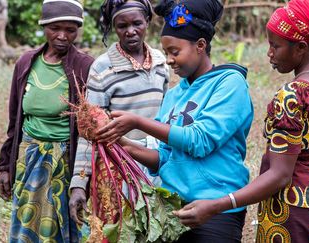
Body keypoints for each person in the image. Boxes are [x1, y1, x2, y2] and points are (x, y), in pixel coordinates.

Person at [172, 0, 309, 242]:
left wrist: (218, 205)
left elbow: (279, 175)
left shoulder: (293, 95)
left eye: (275, 46)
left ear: (300, 47)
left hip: (293, 215)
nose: (269, 53)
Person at [95, 0, 254, 242]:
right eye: (166, 52)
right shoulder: (174, 95)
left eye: (174, 52)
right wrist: (124, 145)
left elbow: (200, 140)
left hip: (216, 209)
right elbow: (165, 158)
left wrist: (138, 122)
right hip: (173, 209)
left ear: (201, 45)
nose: (168, 60)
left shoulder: (229, 84)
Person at [0, 0, 94, 241]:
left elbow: (89, 127)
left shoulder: (85, 66)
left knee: (65, 222)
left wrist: (83, 177)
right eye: (55, 28)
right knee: (27, 220)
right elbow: (14, 120)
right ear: (44, 26)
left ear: (78, 30)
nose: (62, 36)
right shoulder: (26, 63)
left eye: (70, 30)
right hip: (28, 157)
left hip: (65, 161)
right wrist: (6, 166)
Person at [68, 0, 170, 225]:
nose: (131, 31)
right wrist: (79, 183)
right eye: (122, 26)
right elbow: (90, 132)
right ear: (113, 28)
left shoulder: (162, 63)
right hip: (117, 165)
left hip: (155, 163)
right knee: (119, 228)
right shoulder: (103, 68)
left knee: (155, 227)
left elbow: (166, 118)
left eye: (137, 23)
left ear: (148, 22)